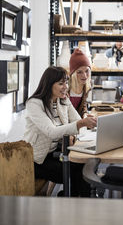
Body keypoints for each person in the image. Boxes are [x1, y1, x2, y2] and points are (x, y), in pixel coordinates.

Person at [25, 66, 97, 197]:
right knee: (79, 172)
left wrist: (76, 130)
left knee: (83, 166)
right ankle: (81, 201)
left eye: (66, 82)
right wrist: (79, 124)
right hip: (35, 160)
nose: (65, 86)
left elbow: (78, 122)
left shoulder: (62, 100)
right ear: (48, 85)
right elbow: (51, 131)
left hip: (53, 154)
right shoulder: (34, 104)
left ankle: (74, 199)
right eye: (61, 83)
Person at [68, 48, 92, 118]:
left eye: (87, 71)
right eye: (79, 72)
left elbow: (83, 106)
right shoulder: (65, 87)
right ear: (73, 74)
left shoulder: (86, 86)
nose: (84, 76)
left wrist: (85, 115)